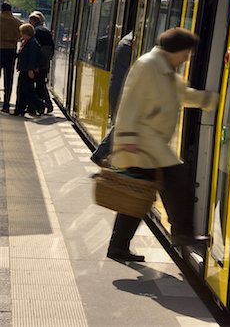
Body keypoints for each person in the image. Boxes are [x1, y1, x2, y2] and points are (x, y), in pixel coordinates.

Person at [107, 27, 219, 262]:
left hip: (148, 143)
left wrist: (211, 100)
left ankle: (118, 247)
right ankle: (181, 233)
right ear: (176, 49)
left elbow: (182, 95)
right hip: (142, 142)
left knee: (138, 196)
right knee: (178, 184)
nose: (187, 58)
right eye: (186, 53)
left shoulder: (164, 69)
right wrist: (127, 139)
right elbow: (129, 103)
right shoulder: (148, 66)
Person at [91, 31, 133, 165]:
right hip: (122, 90)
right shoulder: (129, 45)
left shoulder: (125, 42)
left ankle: (103, 154)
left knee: (121, 125)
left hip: (117, 87)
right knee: (123, 125)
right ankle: (102, 154)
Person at [13, 23, 46, 116]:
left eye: (22, 33)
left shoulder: (32, 43)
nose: (21, 35)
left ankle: (40, 104)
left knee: (27, 91)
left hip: (28, 70)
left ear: (26, 33)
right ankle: (19, 110)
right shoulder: (29, 42)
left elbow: (32, 57)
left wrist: (30, 70)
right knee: (23, 91)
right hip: (25, 69)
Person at [28, 11, 54, 113]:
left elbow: (35, 50)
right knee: (41, 84)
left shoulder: (35, 32)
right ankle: (43, 105)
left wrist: (34, 64)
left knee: (32, 85)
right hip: (45, 63)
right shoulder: (46, 31)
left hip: (37, 63)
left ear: (33, 21)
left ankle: (41, 105)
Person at [0, 2, 22, 113]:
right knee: (8, 79)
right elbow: (21, 36)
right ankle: (6, 105)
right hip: (10, 51)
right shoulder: (17, 22)